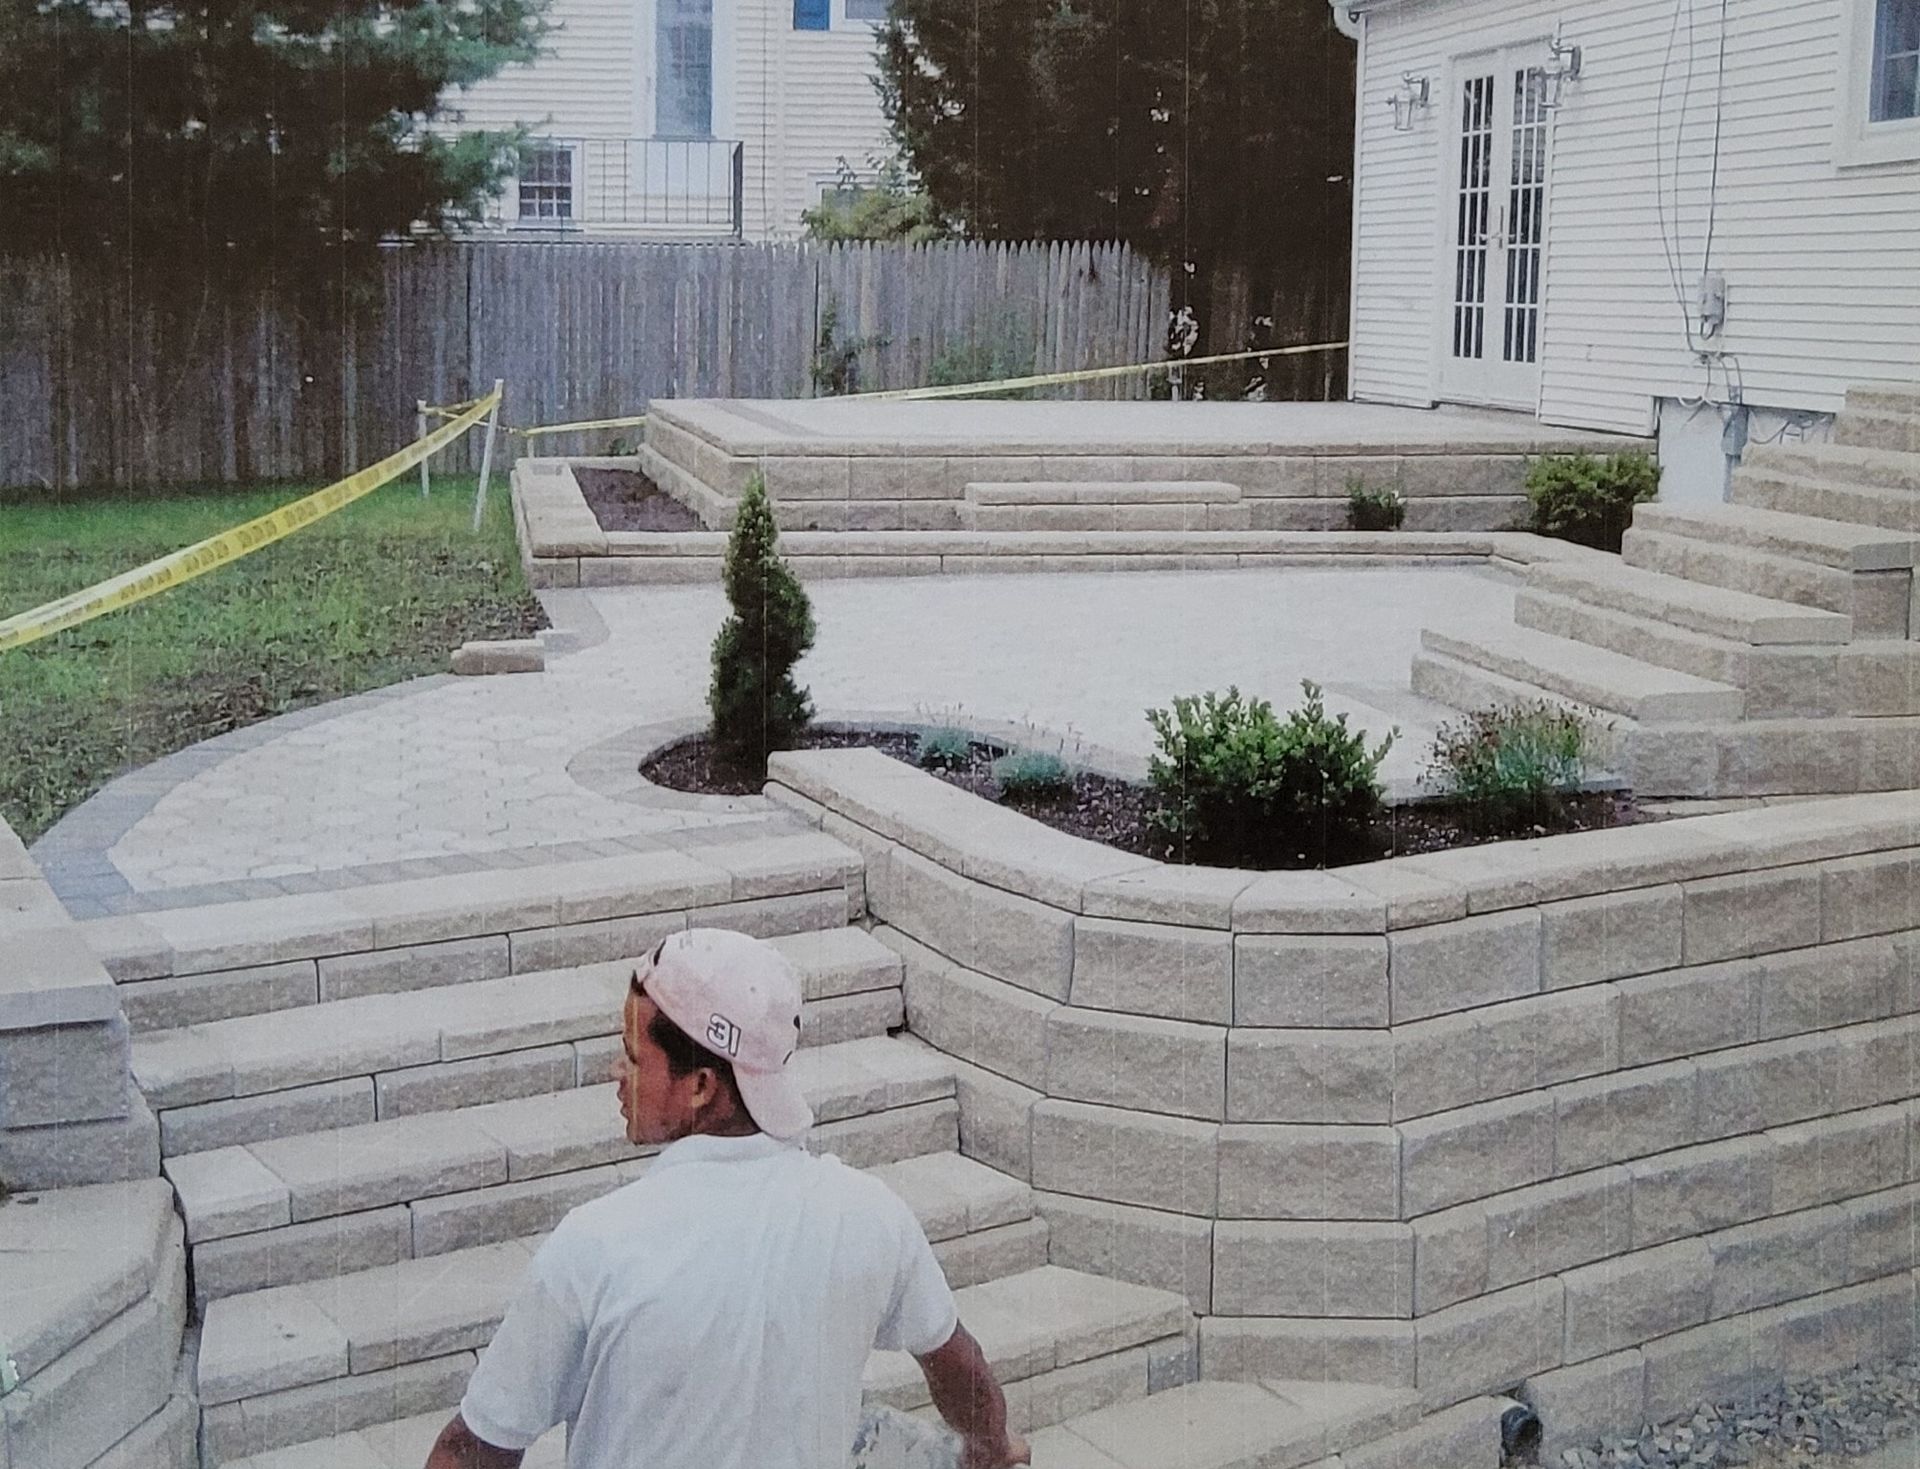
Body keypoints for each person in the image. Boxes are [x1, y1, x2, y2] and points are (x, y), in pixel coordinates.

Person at [423, 926, 1031, 1469]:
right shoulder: (871, 1214)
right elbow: (959, 1367)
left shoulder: (596, 1246)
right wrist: (997, 1450)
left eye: (635, 1058)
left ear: (701, 1087)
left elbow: (473, 1450)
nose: (617, 1072)